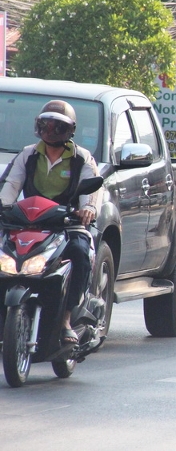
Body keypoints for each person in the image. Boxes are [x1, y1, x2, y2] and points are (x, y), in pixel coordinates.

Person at [0, 100, 99, 345]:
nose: (50, 131)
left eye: (57, 126)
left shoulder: (82, 158)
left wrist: (87, 208)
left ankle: (66, 319)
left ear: (69, 130)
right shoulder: (28, 154)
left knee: (80, 252)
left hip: (67, 223)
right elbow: (11, 185)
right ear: (38, 126)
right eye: (46, 125)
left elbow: (91, 191)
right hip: (29, 222)